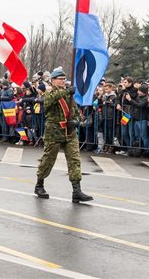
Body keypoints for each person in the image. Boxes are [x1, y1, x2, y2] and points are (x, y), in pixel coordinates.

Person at [34, 67, 93, 203]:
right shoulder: (50, 93)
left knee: (74, 160)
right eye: (60, 79)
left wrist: (75, 121)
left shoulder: (68, 94)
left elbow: (76, 112)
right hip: (54, 132)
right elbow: (48, 102)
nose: (63, 81)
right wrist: (66, 91)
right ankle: (39, 185)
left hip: (69, 132)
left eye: (64, 79)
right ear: (53, 80)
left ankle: (76, 191)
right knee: (48, 159)